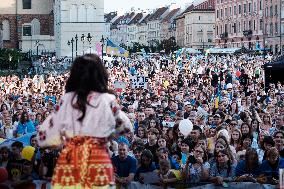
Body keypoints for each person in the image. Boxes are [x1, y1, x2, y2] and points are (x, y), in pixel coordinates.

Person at [36, 54, 132, 188]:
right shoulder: (107, 100)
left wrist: (63, 140)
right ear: (101, 75)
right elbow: (126, 127)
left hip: (70, 164)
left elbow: (43, 138)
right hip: (99, 165)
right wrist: (106, 136)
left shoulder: (67, 100)